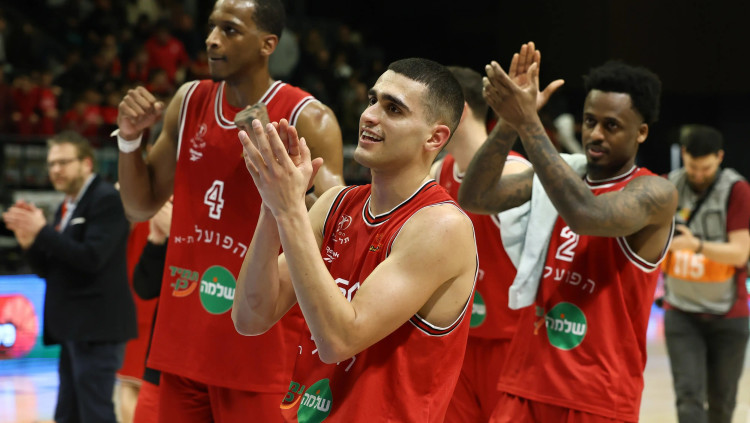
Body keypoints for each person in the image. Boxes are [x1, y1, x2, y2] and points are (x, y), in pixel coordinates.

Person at [114, 0, 345, 421]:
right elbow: (139, 205)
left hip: (261, 347)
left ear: (268, 44)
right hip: (183, 340)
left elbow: (336, 228)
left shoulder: (309, 118)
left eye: (230, 30)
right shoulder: (188, 100)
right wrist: (130, 140)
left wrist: (282, 174)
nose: (212, 40)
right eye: (211, 28)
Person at [232, 58, 478, 422]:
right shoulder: (335, 203)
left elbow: (339, 340)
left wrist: (290, 210)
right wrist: (272, 206)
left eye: (393, 109)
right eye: (372, 100)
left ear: (435, 138)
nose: (370, 116)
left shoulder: (442, 226)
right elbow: (250, 317)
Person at [459, 42, 678, 423]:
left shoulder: (655, 192)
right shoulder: (563, 173)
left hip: (597, 395)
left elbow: (586, 214)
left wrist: (529, 121)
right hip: (526, 380)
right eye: (590, 121)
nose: (595, 134)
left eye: (611, 126)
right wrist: (509, 122)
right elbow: (475, 197)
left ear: (641, 132)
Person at [436, 62, 561, 422]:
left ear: (459, 110)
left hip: (510, 342)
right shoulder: (439, 172)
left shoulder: (515, 172)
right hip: (456, 341)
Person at [2, 130, 137, 423]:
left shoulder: (106, 199)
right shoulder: (68, 204)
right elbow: (51, 269)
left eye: (63, 162)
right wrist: (30, 243)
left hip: (97, 329)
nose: (55, 169)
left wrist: (42, 232)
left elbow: (91, 258)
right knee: (67, 414)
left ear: (86, 163)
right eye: (51, 163)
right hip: (74, 328)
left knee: (95, 413)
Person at [661, 124, 750, 423]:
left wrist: (696, 245)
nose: (698, 175)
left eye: (706, 168)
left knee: (722, 404)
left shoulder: (736, 190)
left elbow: (740, 253)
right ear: (683, 154)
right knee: (688, 398)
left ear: (720, 157)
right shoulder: (668, 186)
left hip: (728, 315)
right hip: (681, 312)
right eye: (692, 167)